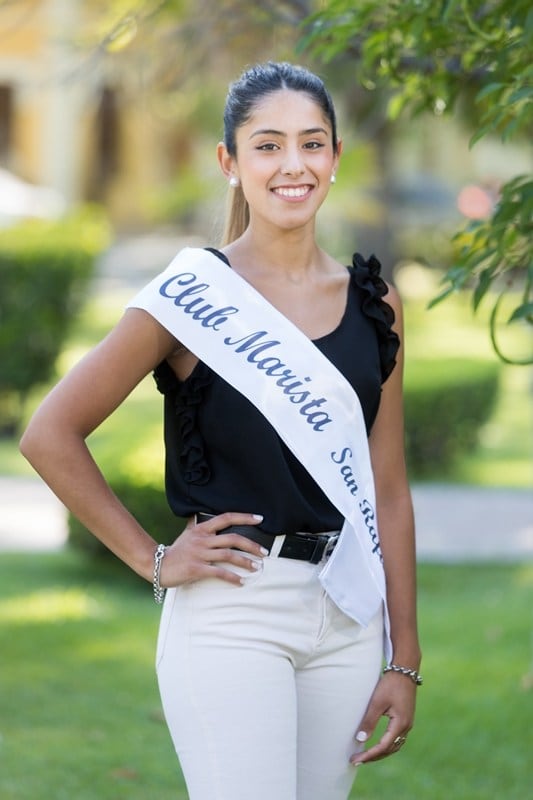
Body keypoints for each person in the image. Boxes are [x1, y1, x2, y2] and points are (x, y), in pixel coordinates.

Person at [20, 61, 421, 800]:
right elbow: (50, 433)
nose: (292, 165)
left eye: (311, 143)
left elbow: (387, 490)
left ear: (334, 156)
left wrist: (404, 657)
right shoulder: (190, 297)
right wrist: (151, 559)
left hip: (346, 614)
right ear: (228, 163)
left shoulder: (374, 301)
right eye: (267, 146)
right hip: (234, 610)